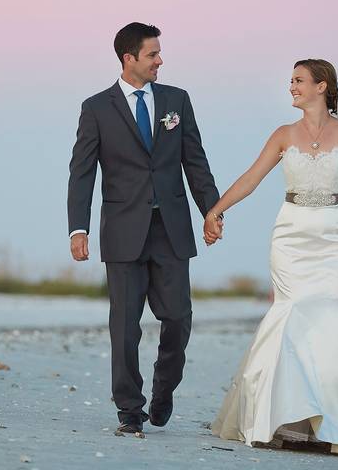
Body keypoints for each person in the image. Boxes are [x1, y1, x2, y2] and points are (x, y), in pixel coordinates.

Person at [206, 59, 338, 453]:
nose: (290, 86)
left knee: (332, 317)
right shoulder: (283, 134)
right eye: (291, 80)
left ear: (322, 86)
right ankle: (281, 421)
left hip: (335, 235)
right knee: (290, 317)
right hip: (290, 236)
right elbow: (251, 178)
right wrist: (217, 210)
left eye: (298, 80)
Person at [67, 22, 222, 436]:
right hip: (121, 230)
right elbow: (81, 173)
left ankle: (163, 390)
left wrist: (212, 210)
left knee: (178, 319)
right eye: (153, 54)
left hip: (170, 228)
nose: (160, 60)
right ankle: (130, 410)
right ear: (128, 58)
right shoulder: (96, 108)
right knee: (125, 325)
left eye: (159, 53)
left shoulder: (177, 100)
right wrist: (77, 229)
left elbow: (195, 161)